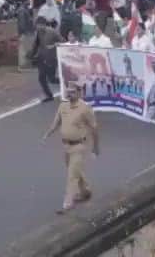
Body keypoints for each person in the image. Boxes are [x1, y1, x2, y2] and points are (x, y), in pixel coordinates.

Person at [41, 83, 100, 214]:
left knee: (71, 175)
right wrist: (48, 133)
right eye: (68, 91)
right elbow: (56, 122)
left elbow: (94, 128)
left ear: (79, 93)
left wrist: (96, 148)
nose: (69, 94)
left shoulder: (85, 109)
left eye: (73, 92)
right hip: (66, 146)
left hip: (79, 146)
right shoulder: (63, 106)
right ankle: (86, 191)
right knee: (74, 170)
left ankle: (67, 203)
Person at [31, 17, 61, 102]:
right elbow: (35, 44)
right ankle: (49, 95)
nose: (38, 27)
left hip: (52, 58)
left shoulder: (52, 32)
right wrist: (33, 56)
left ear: (44, 25)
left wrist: (54, 45)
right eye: (37, 26)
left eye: (39, 26)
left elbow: (62, 41)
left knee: (52, 79)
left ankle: (66, 83)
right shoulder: (37, 33)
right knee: (41, 78)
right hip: (42, 58)